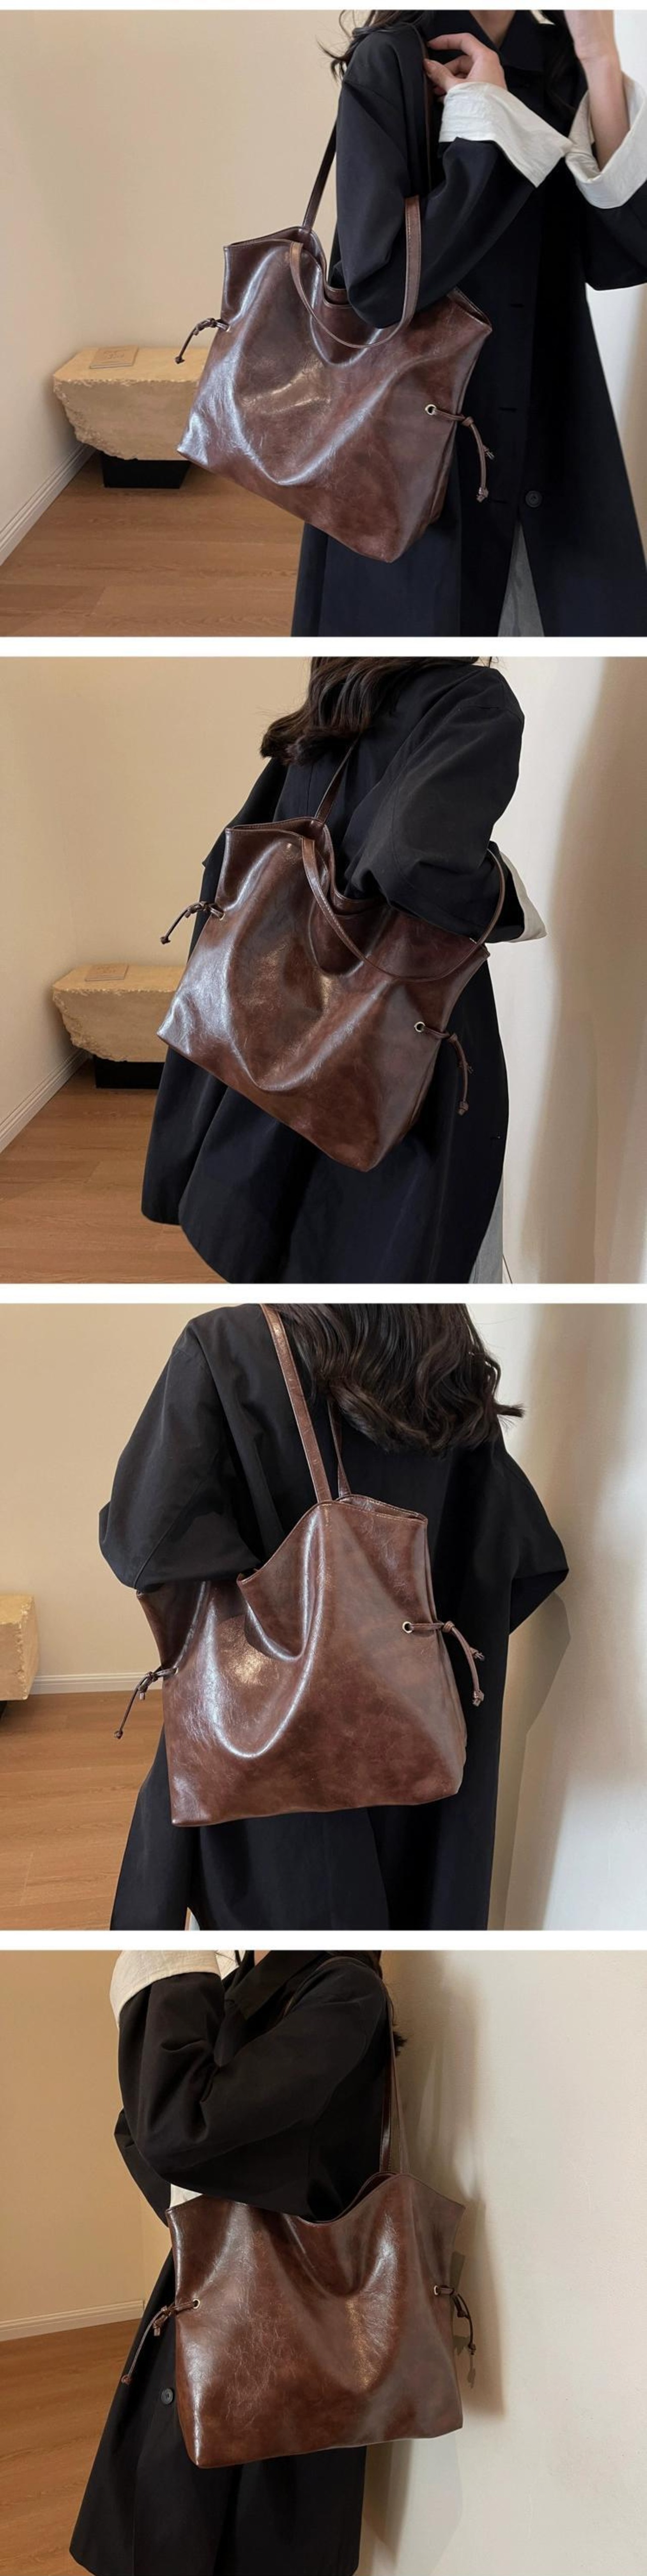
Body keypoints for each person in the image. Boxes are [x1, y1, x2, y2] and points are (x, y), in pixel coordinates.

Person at [105, 1302, 568, 1930]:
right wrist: (393, 1651)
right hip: (416, 1748)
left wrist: (278, 1614)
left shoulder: (230, 1344)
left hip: (272, 1762)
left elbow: (143, 1541)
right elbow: (515, 1558)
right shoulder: (444, 1356)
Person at [142, 656, 542, 1284]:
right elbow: (412, 862)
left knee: (287, 1234)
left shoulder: (342, 686)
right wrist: (507, 901)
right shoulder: (470, 696)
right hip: (391, 1039)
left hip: (281, 1016)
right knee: (396, 1245)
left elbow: (238, 850)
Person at [292, 9, 647, 638]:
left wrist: (599, 59)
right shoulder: (394, 60)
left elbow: (623, 253)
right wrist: (487, 120)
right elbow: (381, 289)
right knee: (418, 626)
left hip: (546, 414)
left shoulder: (560, 58)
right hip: (412, 438)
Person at [70, 1948, 392, 2576]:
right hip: (216, 2284)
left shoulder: (344, 1990)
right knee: (173, 2506)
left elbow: (175, 2129)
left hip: (289, 2325)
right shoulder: (246, 1983)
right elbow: (141, 2128)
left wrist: (165, 1963)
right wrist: (198, 2206)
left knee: (247, 2527)